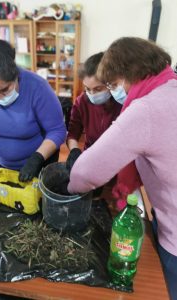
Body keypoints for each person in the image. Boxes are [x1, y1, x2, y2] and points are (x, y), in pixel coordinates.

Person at [68, 37, 177, 300]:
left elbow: (86, 173)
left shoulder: (145, 109)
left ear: (129, 75)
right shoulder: (171, 87)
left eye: (115, 85)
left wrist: (69, 190)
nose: (116, 92)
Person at [0, 37, 66, 184]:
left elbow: (57, 130)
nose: (0, 97)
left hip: (39, 162)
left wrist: (37, 158)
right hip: (3, 165)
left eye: (5, 89)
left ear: (15, 74)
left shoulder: (38, 87)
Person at [66, 52, 122, 177]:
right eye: (87, 88)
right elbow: (72, 134)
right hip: (90, 157)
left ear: (111, 84)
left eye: (98, 89)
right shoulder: (82, 102)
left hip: (117, 162)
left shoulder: (121, 103)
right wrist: (74, 150)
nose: (92, 94)